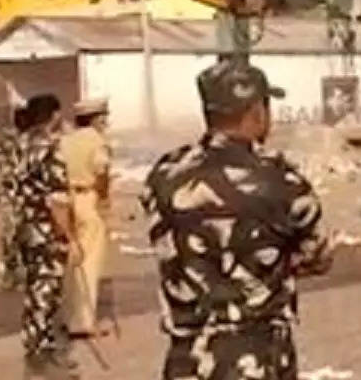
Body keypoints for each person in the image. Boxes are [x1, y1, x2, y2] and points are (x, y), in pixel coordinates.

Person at [142, 57, 333, 380]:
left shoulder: (165, 173)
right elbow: (317, 256)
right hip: (254, 355)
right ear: (256, 112)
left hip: (187, 355)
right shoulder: (278, 178)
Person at [14, 93, 80, 378]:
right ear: (53, 116)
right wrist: (70, 237)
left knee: (33, 293)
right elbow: (57, 201)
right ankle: (42, 357)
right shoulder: (50, 149)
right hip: (46, 232)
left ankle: (36, 347)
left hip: (25, 228)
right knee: (47, 294)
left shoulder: (20, 145)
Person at [57, 98, 112, 340]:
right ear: (96, 118)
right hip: (88, 199)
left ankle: (68, 318)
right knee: (89, 263)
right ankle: (83, 322)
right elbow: (101, 172)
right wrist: (103, 197)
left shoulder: (65, 141)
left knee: (71, 262)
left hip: (67, 200)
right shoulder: (97, 141)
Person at [0, 104, 29, 290]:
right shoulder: (26, 141)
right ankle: (15, 274)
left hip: (15, 197)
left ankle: (13, 274)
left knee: (13, 237)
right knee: (17, 237)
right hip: (21, 197)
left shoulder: (9, 141)